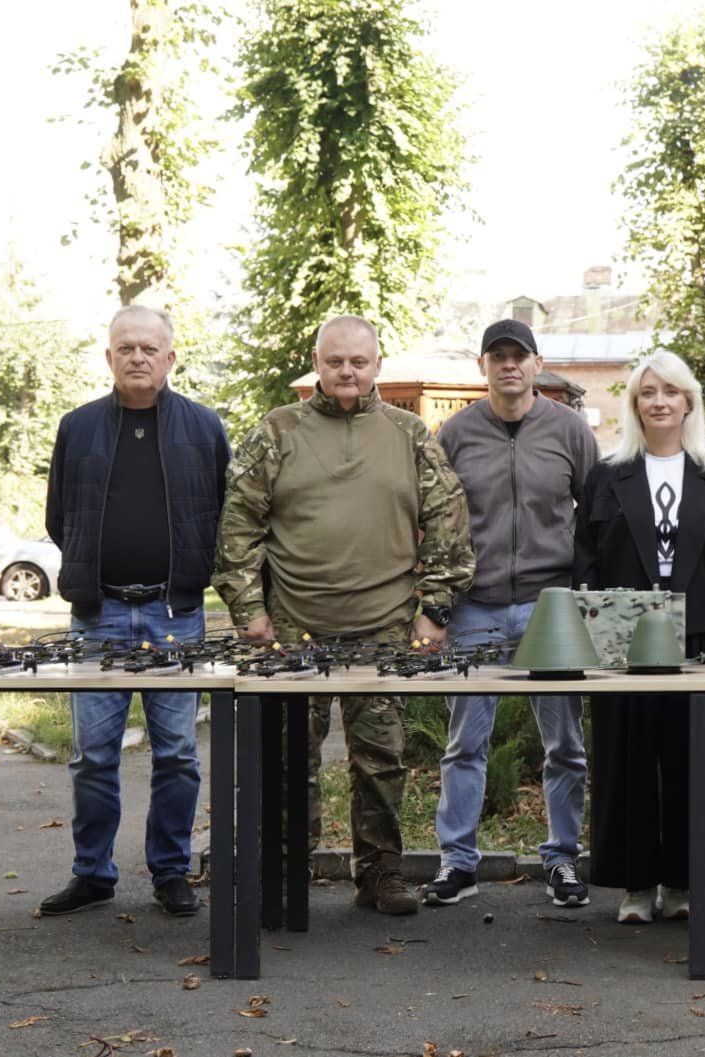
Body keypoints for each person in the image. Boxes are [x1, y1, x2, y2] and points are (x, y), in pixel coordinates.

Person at [213, 315, 473, 915]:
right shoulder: (278, 431)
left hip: (384, 629)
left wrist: (433, 611)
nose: (348, 372)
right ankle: (284, 872)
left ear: (377, 364)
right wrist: (249, 609)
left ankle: (380, 874)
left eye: (359, 361)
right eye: (336, 362)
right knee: (286, 761)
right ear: (317, 362)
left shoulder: (410, 434)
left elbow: (449, 524)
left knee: (381, 761)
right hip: (289, 630)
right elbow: (238, 526)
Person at [37, 305, 230, 918]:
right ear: (110, 357)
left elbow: (226, 515)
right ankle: (92, 872)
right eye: (127, 348)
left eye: (150, 348)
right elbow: (59, 516)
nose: (138, 357)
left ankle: (170, 871)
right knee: (94, 755)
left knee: (176, 753)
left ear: (171, 357)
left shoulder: (204, 429)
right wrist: (95, 574)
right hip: (99, 617)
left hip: (176, 615)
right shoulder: (79, 427)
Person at [423, 319, 599, 910]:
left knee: (565, 744)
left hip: (552, 608)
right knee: (464, 743)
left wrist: (585, 599)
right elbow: (436, 523)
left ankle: (563, 859)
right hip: (476, 606)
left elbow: (596, 519)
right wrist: (437, 605)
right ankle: (458, 863)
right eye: (497, 356)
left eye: (518, 356)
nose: (508, 366)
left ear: (536, 363)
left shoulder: (569, 431)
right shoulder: (456, 434)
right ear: (483, 367)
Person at [573, 350, 705, 923]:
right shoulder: (608, 475)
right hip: (627, 645)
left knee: (689, 762)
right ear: (634, 404)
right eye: (648, 393)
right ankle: (635, 886)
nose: (659, 402)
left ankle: (682, 882)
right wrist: (595, 635)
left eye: (670, 392)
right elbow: (587, 560)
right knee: (627, 762)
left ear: (689, 401)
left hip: (698, 644)